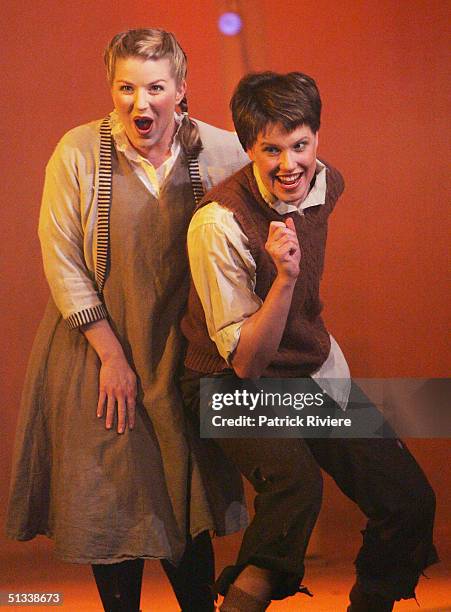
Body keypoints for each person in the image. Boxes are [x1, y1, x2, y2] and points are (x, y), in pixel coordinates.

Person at [6, 28, 249, 612]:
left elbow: (259, 227)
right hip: (97, 351)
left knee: (185, 498)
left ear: (181, 88)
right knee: (113, 502)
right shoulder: (78, 152)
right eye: (127, 89)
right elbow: (60, 256)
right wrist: (111, 357)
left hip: (183, 351)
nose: (142, 105)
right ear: (112, 88)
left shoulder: (219, 151)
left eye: (156, 88)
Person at [180, 71, 438, 611]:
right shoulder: (217, 225)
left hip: (304, 372)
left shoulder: (326, 183)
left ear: (317, 136)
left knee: (407, 500)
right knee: (295, 490)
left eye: (301, 144)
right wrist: (286, 279)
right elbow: (247, 363)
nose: (290, 165)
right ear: (248, 147)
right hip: (226, 383)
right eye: (271, 150)